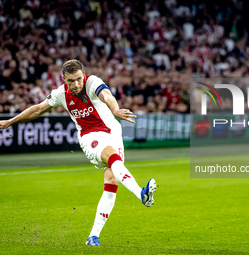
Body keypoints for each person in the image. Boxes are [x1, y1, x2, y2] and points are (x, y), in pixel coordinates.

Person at [0, 59, 157, 247]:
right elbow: (39, 109)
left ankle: (93, 237)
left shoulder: (92, 82)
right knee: (111, 156)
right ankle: (141, 194)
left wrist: (115, 109)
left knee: (112, 179)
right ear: (64, 79)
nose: (75, 84)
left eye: (78, 79)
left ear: (84, 74)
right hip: (90, 136)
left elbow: (106, 95)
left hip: (113, 131)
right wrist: (10, 121)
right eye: (70, 81)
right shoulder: (60, 94)